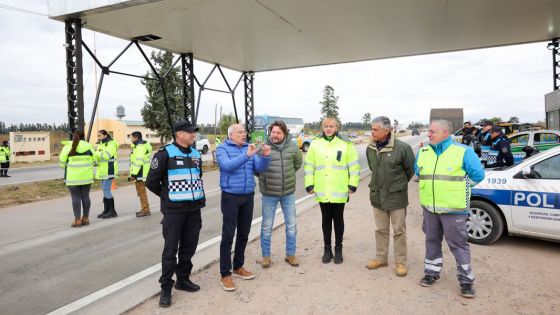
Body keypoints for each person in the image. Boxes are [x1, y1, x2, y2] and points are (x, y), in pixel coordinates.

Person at [415, 120, 485, 298]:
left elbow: (478, 175)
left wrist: (462, 190)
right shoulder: (423, 152)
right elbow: (418, 173)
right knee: (431, 241)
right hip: (430, 209)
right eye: (429, 131)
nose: (428, 134)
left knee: (458, 245)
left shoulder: (464, 152)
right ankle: (432, 273)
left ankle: (466, 282)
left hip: (454, 210)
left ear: (445, 133)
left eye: (432, 132)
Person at [146, 121, 206, 308]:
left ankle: (183, 279)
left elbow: (198, 176)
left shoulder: (196, 154)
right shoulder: (165, 154)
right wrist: (168, 197)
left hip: (194, 210)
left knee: (189, 247)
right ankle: (166, 287)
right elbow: (152, 182)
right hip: (174, 211)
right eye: (190, 132)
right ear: (179, 134)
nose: (193, 135)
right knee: (170, 250)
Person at [216, 123, 271, 291]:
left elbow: (259, 169)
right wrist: (247, 155)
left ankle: (238, 266)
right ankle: (225, 274)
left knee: (244, 234)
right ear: (231, 135)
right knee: (228, 235)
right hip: (231, 196)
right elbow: (227, 166)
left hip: (248, 195)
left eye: (244, 132)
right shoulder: (222, 149)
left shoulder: (249, 147)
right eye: (240, 132)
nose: (243, 134)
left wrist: (265, 157)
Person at [304, 117, 361, 264]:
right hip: (323, 190)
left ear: (337, 128)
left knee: (338, 220)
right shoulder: (315, 144)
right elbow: (309, 166)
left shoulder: (345, 144)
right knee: (326, 220)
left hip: (339, 190)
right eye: (326, 126)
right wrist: (309, 184)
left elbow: (354, 166)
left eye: (332, 126)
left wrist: (353, 184)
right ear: (322, 128)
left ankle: (339, 249)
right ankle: (327, 249)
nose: (328, 128)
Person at [365, 116, 415, 277]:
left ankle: (401, 262)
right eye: (371, 129)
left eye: (375, 129)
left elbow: (410, 170)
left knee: (399, 231)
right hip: (377, 196)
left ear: (386, 131)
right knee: (380, 229)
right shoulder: (370, 148)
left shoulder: (402, 148)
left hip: (396, 197)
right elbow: (374, 169)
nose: (371, 132)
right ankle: (381, 258)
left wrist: (396, 185)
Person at [258, 120, 302, 268]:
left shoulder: (293, 147)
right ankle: (266, 257)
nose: (275, 135)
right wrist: (267, 179)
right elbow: (257, 169)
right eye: (273, 132)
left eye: (278, 132)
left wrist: (286, 176)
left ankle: (290, 255)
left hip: (288, 193)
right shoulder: (263, 147)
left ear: (285, 134)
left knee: (291, 224)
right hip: (269, 193)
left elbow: (297, 164)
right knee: (266, 226)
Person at [59, 131, 95, 227]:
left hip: (72, 178)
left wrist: (65, 166)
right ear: (84, 136)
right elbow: (95, 160)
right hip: (87, 177)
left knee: (75, 198)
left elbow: (62, 161)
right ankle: (86, 218)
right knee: (85, 196)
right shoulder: (89, 146)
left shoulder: (68, 146)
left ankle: (77, 220)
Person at [94, 130, 119, 219]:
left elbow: (106, 156)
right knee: (104, 190)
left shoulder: (111, 144)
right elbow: (98, 157)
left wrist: (96, 152)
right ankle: (106, 210)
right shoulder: (101, 144)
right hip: (102, 171)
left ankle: (112, 211)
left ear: (105, 135)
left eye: (100, 135)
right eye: (98, 135)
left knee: (106, 190)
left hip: (109, 170)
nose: (98, 137)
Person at [130, 131, 153, 217]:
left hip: (140, 173)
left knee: (141, 192)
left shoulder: (140, 147)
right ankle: (145, 209)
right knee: (141, 192)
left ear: (136, 138)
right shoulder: (139, 146)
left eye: (131, 137)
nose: (130, 139)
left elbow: (138, 161)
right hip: (141, 172)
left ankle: (145, 210)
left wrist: (133, 174)